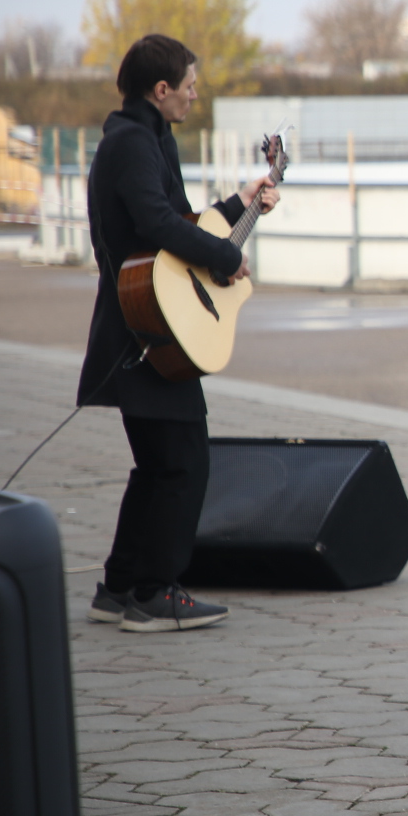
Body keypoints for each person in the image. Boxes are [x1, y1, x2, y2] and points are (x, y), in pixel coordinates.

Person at [81, 33, 280, 632]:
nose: (196, 95)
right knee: (183, 463)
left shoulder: (145, 138)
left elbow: (176, 222)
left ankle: (119, 587)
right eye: (190, 86)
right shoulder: (133, 143)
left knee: (157, 465)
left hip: (147, 325)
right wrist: (224, 256)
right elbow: (157, 223)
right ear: (160, 89)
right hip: (148, 331)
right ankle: (153, 592)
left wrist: (239, 202)